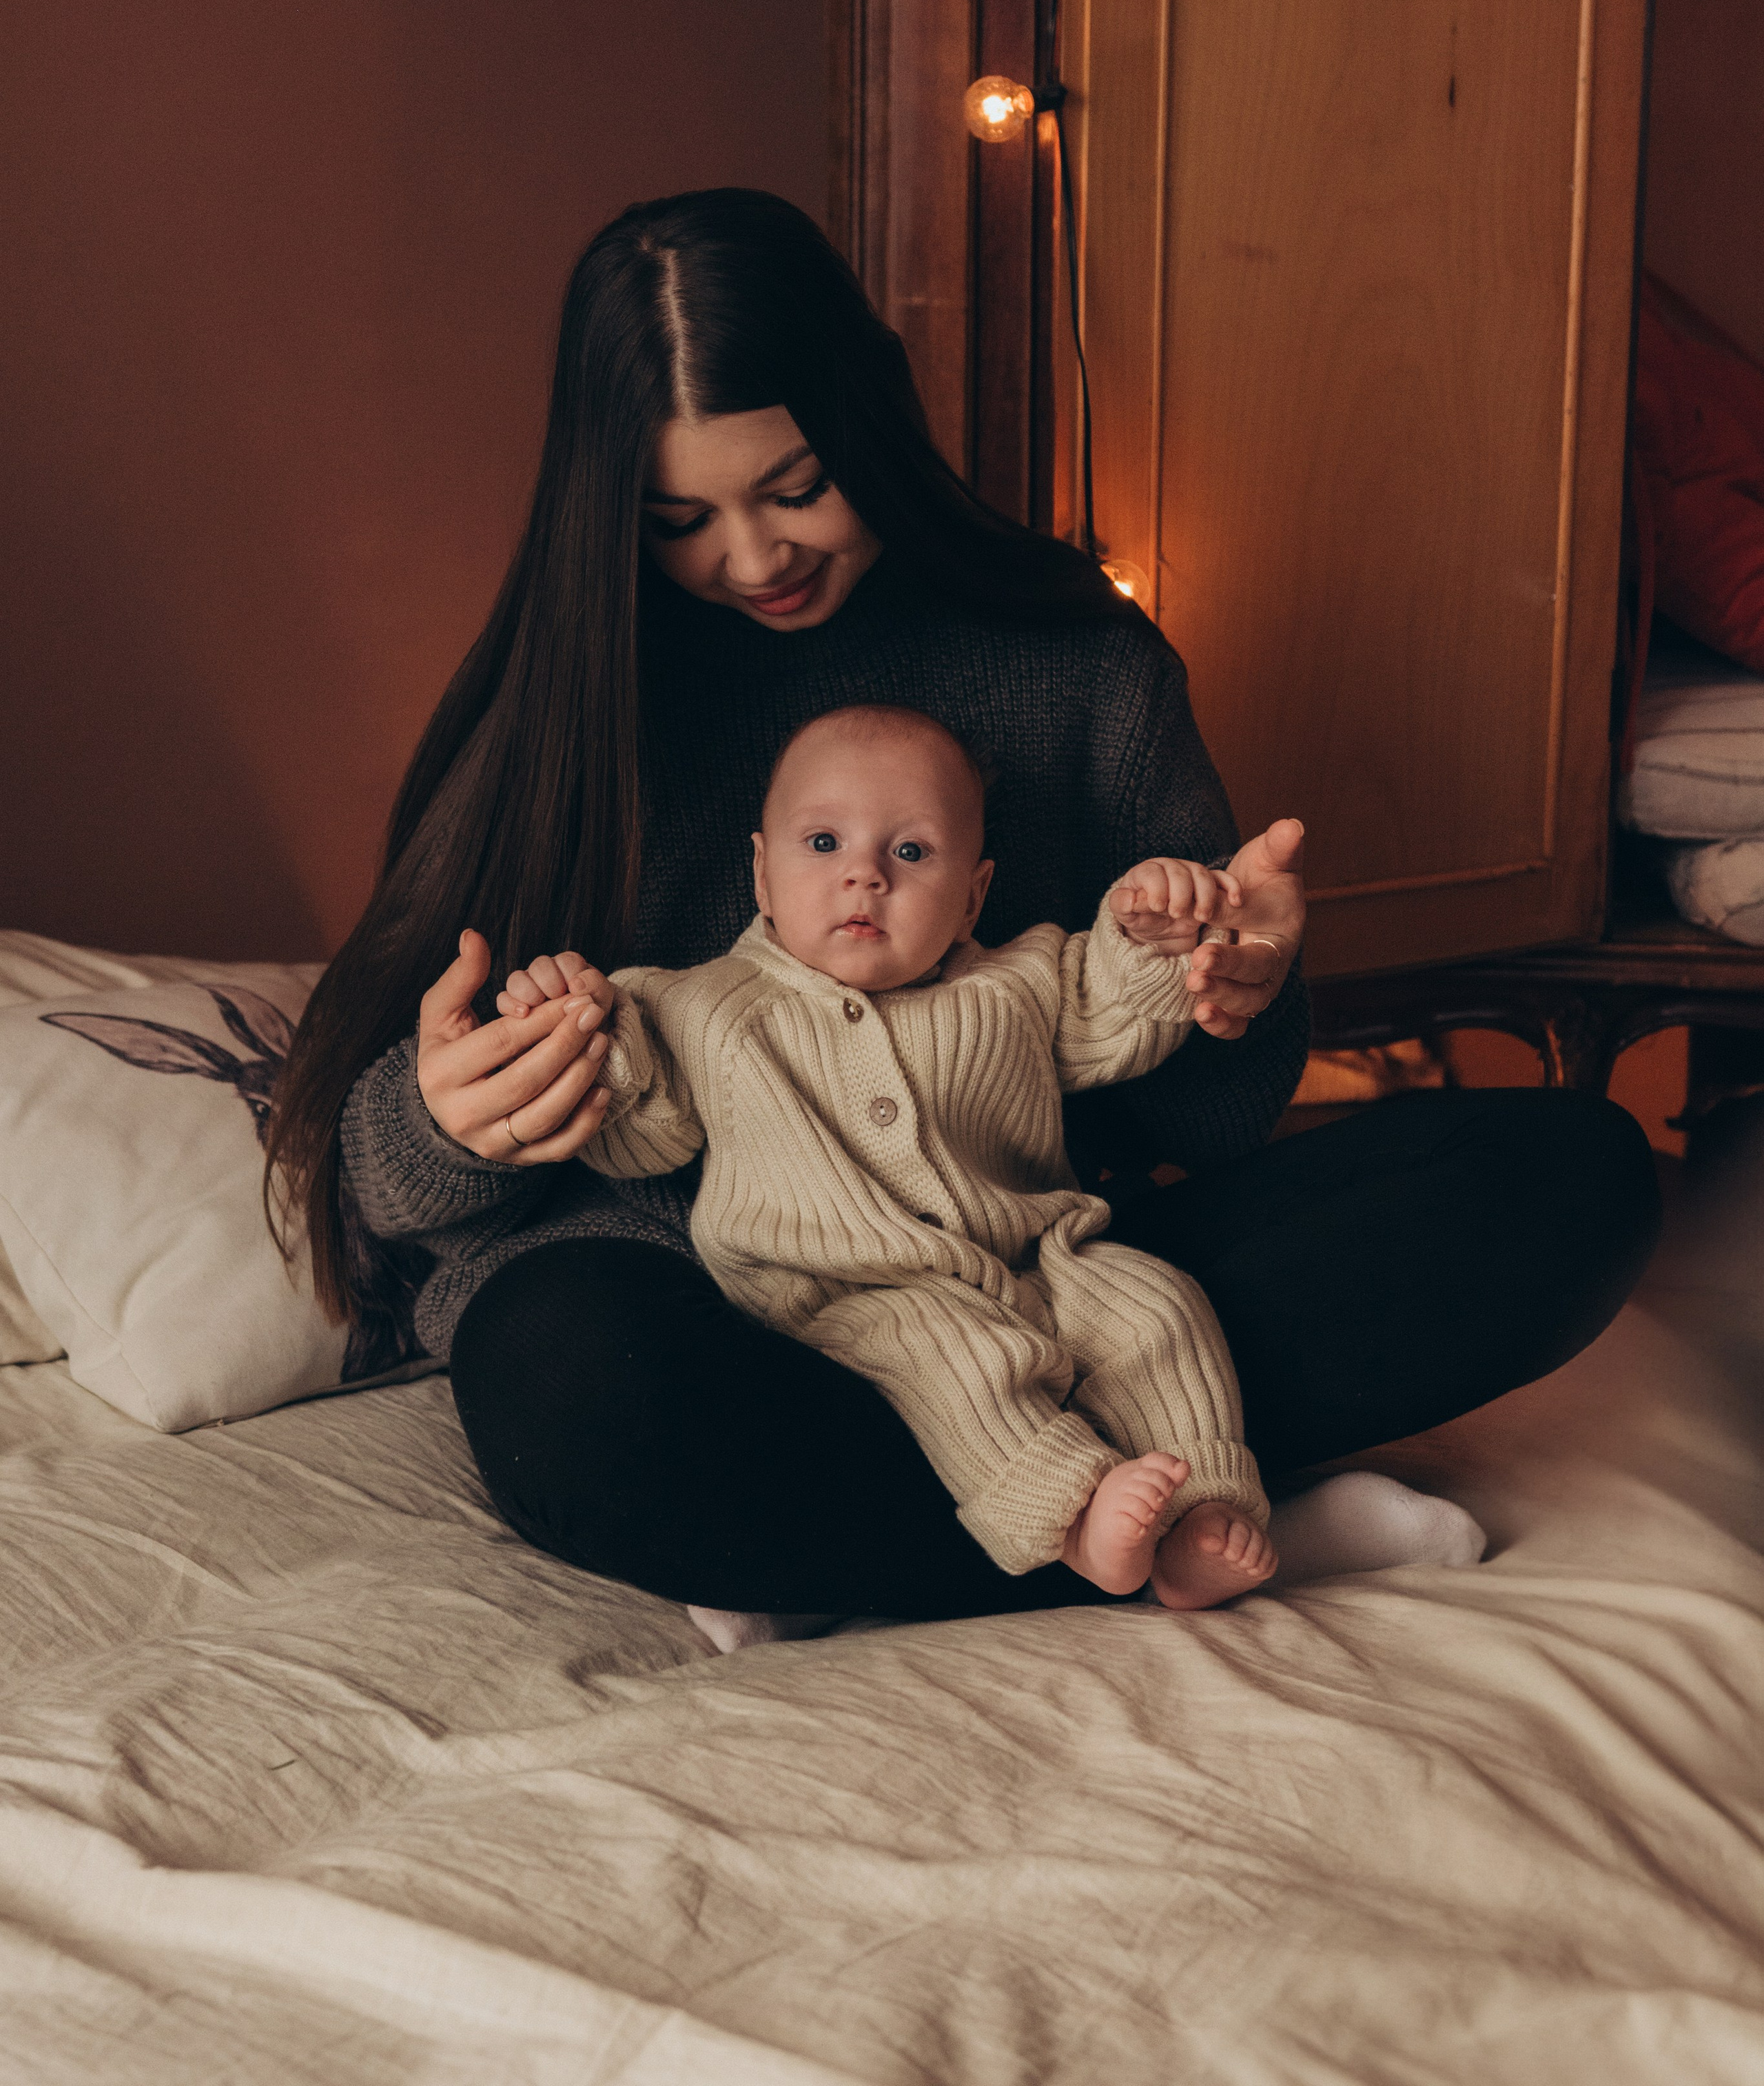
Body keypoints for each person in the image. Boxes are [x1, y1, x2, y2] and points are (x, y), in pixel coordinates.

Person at [266, 186, 1661, 1628]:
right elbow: (379, 1174)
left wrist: (1231, 997)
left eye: (794, 486)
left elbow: (1196, 1122)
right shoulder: (565, 704)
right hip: (707, 1324)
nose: (751, 561)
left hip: (1038, 1276)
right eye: (678, 518)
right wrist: (447, 1120)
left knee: (1568, 1179)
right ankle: (1190, 1523)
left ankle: (873, 1543)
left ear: (867, 418)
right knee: (559, 1378)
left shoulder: (1075, 658)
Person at [498, 702, 1278, 1612]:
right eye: (823, 843)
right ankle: (1074, 1521)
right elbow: (639, 1129)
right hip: (843, 1295)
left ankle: (1198, 1520)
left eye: (910, 854)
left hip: (1042, 1259)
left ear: (974, 896)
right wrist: (579, 1021)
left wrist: (1150, 930)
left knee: (1160, 1308)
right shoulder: (706, 1007)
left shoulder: (1018, 982)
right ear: (762, 871)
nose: (863, 877)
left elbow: (1120, 1011)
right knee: (953, 1356)